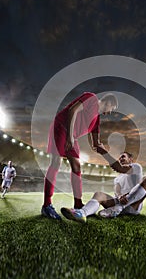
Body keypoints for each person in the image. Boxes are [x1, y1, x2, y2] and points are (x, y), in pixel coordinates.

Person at [41, 92, 118, 220]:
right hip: (61, 127)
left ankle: (78, 204)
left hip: (72, 137)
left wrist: (111, 160)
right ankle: (46, 205)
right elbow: (73, 110)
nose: (110, 112)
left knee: (77, 167)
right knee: (56, 162)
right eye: (112, 108)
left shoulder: (96, 120)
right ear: (108, 102)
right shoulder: (91, 98)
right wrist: (70, 137)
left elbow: (96, 144)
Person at [60, 151, 146, 223]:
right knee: (98, 195)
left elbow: (119, 168)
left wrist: (102, 151)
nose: (120, 159)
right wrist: (120, 197)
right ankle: (82, 213)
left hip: (133, 205)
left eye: (123, 156)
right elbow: (117, 190)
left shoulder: (136, 168)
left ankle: (120, 207)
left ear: (131, 159)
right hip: (118, 204)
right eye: (119, 158)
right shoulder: (117, 179)